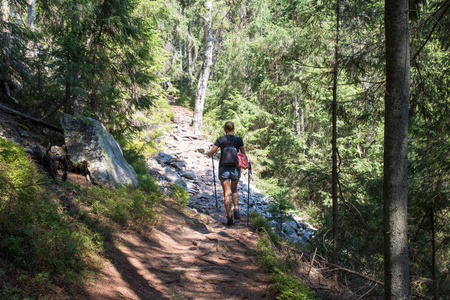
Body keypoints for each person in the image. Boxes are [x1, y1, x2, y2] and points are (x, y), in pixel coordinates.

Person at [208, 121, 245, 226]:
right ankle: (236, 209)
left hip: (224, 168)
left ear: (225, 129)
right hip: (235, 169)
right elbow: (243, 155)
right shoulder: (238, 140)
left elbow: (210, 154)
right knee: (234, 190)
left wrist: (210, 149)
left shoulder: (220, 140)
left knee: (226, 194)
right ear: (233, 129)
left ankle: (229, 218)